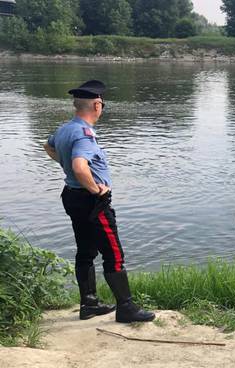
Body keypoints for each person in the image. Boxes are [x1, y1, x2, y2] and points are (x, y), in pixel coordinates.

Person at [44, 80, 155, 323]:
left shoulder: (65, 129)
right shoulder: (84, 134)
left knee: (85, 251)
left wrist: (68, 168)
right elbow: (79, 166)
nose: (102, 107)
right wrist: (97, 190)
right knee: (113, 253)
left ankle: (89, 304)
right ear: (96, 105)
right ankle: (126, 308)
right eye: (102, 104)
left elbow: (48, 147)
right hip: (91, 201)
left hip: (72, 197)